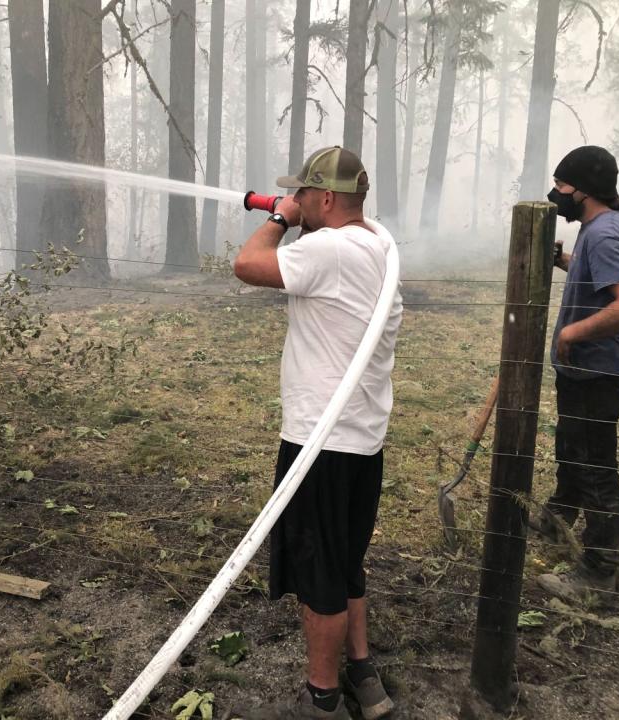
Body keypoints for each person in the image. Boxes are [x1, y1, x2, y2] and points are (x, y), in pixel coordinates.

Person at [232, 146, 402, 720]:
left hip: (319, 444)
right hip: (361, 439)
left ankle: (321, 699)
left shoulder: (326, 249)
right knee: (345, 559)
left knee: (320, 573)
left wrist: (279, 217)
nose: (296, 200)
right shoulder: (378, 245)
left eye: (303, 193)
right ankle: (362, 675)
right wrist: (293, 208)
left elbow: (247, 264)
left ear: (324, 198)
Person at [533, 145, 619, 603]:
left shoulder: (603, 234)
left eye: (562, 185)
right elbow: (601, 282)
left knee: (595, 468)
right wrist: (565, 264)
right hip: (582, 371)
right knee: (572, 449)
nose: (556, 193)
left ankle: (598, 572)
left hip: (596, 371)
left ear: (583, 189)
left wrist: (575, 331)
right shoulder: (600, 228)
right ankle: (556, 520)